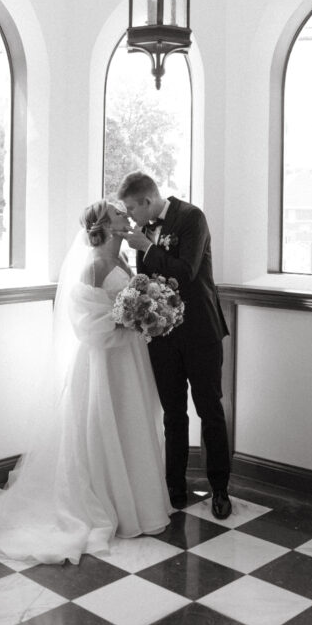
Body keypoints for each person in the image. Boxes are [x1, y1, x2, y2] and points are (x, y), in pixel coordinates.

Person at [0, 200, 172, 563]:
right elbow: (87, 324)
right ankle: (107, 502)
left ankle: (134, 500)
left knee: (130, 423)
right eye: (118, 213)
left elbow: (127, 304)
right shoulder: (95, 265)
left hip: (129, 358)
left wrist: (150, 316)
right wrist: (128, 322)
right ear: (106, 224)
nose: (126, 216)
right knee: (102, 427)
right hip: (104, 362)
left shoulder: (122, 261)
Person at [117, 171, 232, 520]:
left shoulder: (192, 217)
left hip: (200, 333)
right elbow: (148, 280)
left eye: (131, 209)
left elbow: (186, 272)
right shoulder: (145, 230)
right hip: (163, 336)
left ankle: (220, 489)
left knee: (209, 410)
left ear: (147, 200)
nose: (130, 216)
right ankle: (174, 487)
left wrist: (147, 248)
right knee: (173, 414)